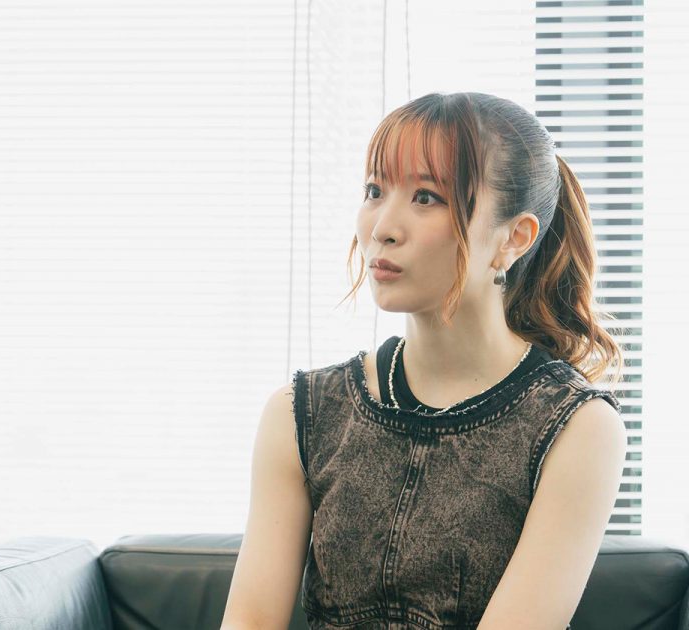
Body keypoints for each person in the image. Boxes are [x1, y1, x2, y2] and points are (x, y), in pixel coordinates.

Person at [222, 92, 627, 630]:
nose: (382, 228)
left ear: (514, 238)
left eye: (426, 197)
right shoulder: (301, 412)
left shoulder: (578, 427)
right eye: (374, 190)